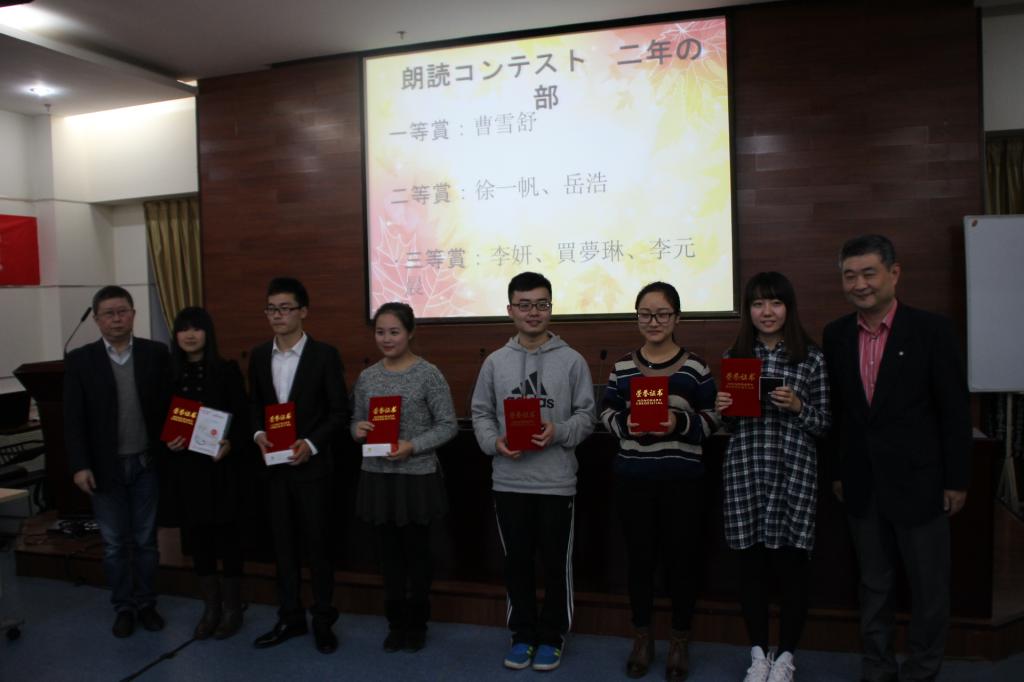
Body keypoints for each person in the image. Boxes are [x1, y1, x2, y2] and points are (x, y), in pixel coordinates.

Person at [823, 235, 971, 682]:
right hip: (862, 484)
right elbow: (839, 413)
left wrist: (957, 480)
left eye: (869, 273)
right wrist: (838, 472)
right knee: (874, 584)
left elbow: (954, 411)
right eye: (850, 276)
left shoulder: (932, 331)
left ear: (894, 273)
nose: (859, 284)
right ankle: (877, 668)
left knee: (928, 587)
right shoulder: (836, 335)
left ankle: (922, 670)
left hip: (921, 483)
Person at [471, 271, 595, 672]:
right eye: (524, 305)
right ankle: (522, 634)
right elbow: (480, 413)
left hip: (556, 483)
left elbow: (587, 416)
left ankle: (553, 636)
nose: (533, 312)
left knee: (556, 564)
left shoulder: (572, 360)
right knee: (517, 563)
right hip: (509, 481)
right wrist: (494, 443)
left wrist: (558, 431)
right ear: (510, 310)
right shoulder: (495, 362)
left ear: (550, 308)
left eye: (541, 304)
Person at [600, 281, 721, 682]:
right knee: (639, 563)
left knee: (682, 564)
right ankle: (642, 638)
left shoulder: (695, 367)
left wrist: (677, 422)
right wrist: (625, 424)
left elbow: (713, 418)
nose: (653, 321)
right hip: (634, 480)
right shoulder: (622, 367)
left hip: (682, 482)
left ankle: (679, 641)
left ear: (677, 318)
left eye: (662, 314)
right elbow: (606, 412)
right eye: (646, 314)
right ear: (637, 318)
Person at [714, 272, 830, 682]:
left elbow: (825, 424)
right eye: (758, 303)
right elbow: (728, 424)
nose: (767, 312)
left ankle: (786, 658)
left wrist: (798, 405)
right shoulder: (735, 356)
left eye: (775, 303)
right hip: (745, 473)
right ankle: (759, 654)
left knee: (792, 569)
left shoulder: (810, 358)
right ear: (748, 310)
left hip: (792, 474)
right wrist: (724, 408)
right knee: (751, 569)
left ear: (788, 308)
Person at [248, 277, 349, 654]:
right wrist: (258, 433)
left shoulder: (324, 355)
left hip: (312, 470)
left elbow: (339, 412)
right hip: (274, 470)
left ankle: (323, 619)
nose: (278, 316)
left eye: (285, 308)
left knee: (318, 548)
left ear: (303, 311)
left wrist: (310, 444)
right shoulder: (259, 355)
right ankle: (290, 617)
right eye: (271, 309)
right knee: (283, 548)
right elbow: (253, 406)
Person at [64, 285, 170, 638]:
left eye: (122, 311)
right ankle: (124, 607)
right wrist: (79, 465)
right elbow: (73, 419)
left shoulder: (156, 353)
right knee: (113, 544)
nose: (116, 319)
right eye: (108, 313)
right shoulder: (81, 360)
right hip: (103, 467)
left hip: (146, 463)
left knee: (145, 541)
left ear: (133, 314)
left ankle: (147, 604)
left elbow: (170, 405)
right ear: (96, 320)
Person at [350, 302, 457, 653]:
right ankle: (395, 624)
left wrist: (413, 445)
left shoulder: (429, 374)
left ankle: (417, 624)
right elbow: (355, 422)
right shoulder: (367, 377)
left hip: (416, 478)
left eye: (394, 332)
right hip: (378, 477)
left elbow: (448, 425)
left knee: (418, 556)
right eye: (380, 332)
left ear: (410, 333)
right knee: (388, 559)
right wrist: (357, 429)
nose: (386, 338)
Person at [164, 306, 251, 640]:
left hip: (222, 468)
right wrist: (168, 442)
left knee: (228, 539)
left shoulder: (226, 371)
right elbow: (161, 419)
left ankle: (232, 609)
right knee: (198, 539)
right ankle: (211, 608)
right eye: (183, 329)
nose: (190, 335)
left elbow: (243, 417)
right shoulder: (169, 374)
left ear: (207, 333)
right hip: (188, 472)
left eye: (196, 328)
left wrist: (231, 443)